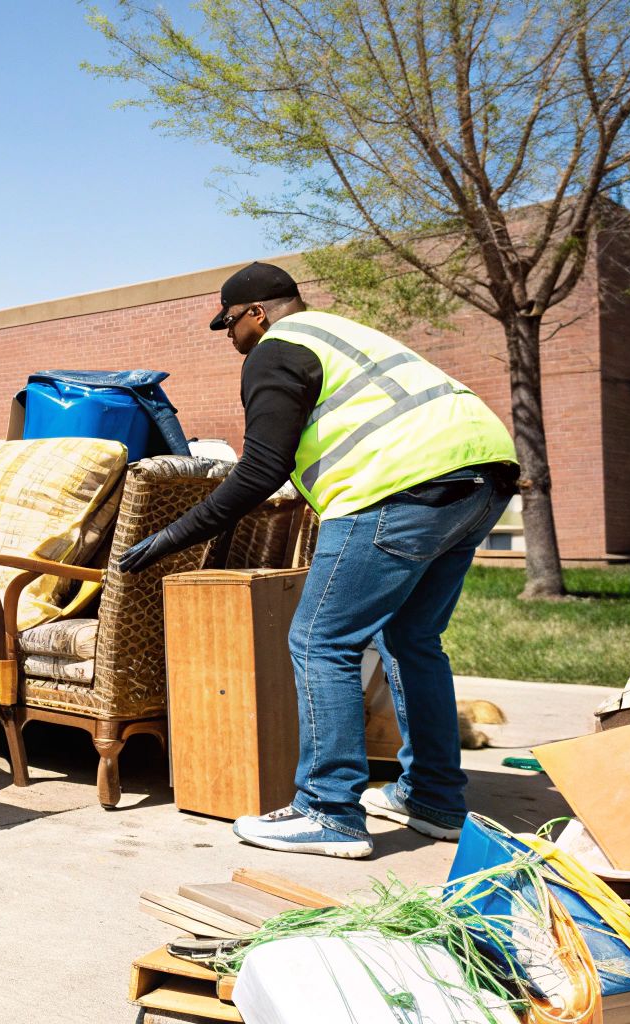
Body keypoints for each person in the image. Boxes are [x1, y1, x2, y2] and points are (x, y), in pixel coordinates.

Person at [118, 262, 517, 859]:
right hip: (482, 477)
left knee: (320, 640)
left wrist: (172, 536)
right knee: (411, 639)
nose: (231, 339)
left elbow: (258, 469)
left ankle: (328, 811)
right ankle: (434, 799)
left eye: (229, 325)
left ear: (255, 314)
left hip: (397, 488)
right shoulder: (341, 333)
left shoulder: (275, 350)